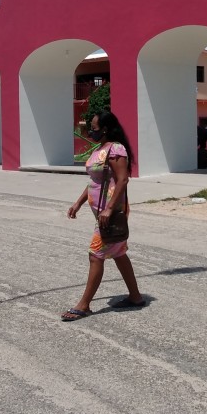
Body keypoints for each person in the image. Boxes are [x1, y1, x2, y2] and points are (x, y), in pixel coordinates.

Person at [62, 110, 144, 321]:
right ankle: (135, 297)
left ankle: (84, 304)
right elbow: (95, 181)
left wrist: (109, 208)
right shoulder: (101, 148)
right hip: (101, 211)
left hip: (112, 210)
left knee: (95, 253)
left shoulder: (116, 148)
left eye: (95, 128)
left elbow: (123, 179)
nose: (91, 131)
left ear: (106, 129)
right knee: (118, 252)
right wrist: (78, 203)